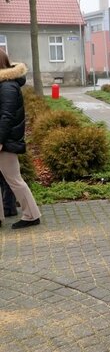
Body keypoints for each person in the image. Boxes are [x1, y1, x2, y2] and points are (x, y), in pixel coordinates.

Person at [0, 49, 42, 229]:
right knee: (13, 179)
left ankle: (32, 215)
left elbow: (7, 116)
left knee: (14, 180)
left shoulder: (7, 86)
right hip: (4, 140)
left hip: (5, 142)